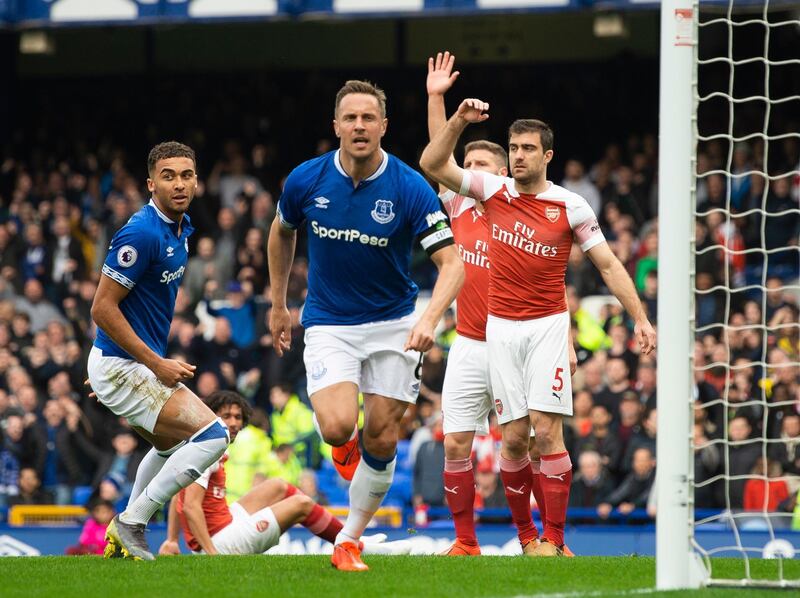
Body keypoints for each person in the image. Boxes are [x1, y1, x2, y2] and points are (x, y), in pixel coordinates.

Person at [420, 98, 656, 556]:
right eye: (514, 147)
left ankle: (556, 539)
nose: (519, 155)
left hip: (547, 326)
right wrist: (454, 118)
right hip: (499, 330)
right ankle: (523, 538)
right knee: (512, 438)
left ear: (548, 155)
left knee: (547, 432)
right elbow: (433, 162)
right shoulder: (490, 193)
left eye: (528, 148)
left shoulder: (570, 206)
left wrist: (641, 317)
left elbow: (607, 264)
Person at [268, 79, 464, 571]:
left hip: (395, 323)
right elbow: (281, 231)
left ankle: (349, 541)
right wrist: (277, 303)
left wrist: (430, 320)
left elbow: (454, 263)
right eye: (350, 118)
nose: (359, 126)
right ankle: (345, 452)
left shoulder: (408, 186)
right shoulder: (306, 180)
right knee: (337, 429)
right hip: (329, 321)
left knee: (381, 437)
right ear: (335, 126)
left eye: (368, 118)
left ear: (383, 126)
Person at [424, 52, 576, 557]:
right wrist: (437, 99)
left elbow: (550, 278)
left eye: (481, 166)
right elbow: (435, 156)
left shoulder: (519, 210)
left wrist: (566, 337)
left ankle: (543, 538)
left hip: (519, 334)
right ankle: (465, 542)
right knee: (455, 444)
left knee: (527, 441)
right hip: (470, 344)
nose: (470, 173)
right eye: (466, 166)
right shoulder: (456, 210)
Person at [87, 141, 230, 561]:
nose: (179, 183)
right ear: (151, 184)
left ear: (197, 182)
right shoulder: (142, 232)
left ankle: (123, 535)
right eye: (168, 176)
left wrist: (105, 366)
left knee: (170, 448)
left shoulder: (179, 230)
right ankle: (132, 523)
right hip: (125, 365)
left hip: (118, 365)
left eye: (186, 175)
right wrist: (151, 364)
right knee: (213, 435)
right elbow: (101, 307)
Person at [158, 391, 408, 556]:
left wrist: (171, 540)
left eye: (237, 416)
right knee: (301, 504)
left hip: (223, 525)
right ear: (211, 416)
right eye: (226, 416)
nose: (233, 422)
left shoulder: (205, 445)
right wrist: (212, 555)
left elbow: (177, 491)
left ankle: (352, 537)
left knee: (278, 485)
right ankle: (357, 545)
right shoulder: (205, 451)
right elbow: (190, 506)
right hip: (218, 543)